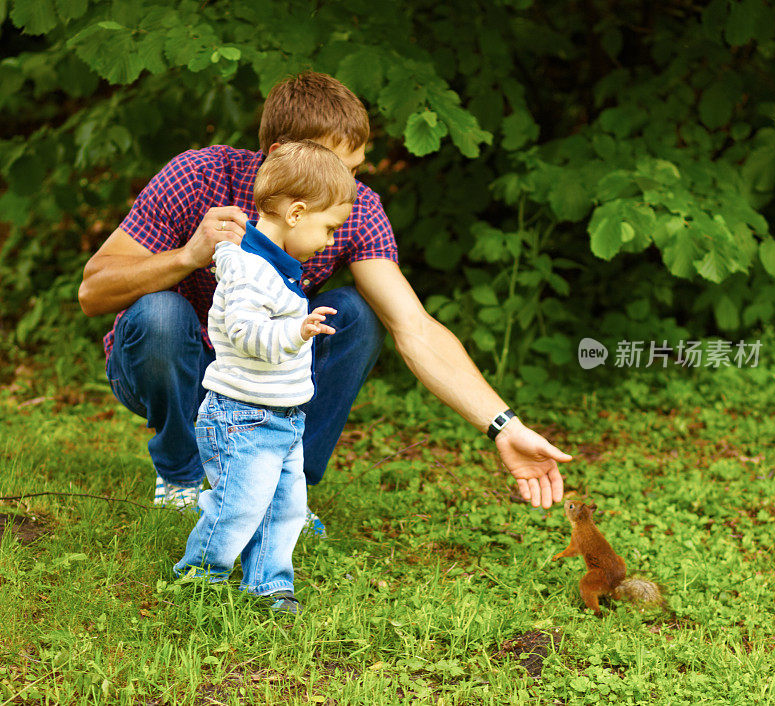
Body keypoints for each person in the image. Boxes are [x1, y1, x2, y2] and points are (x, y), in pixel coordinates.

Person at [78, 71, 571, 521]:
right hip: (176, 369)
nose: (350, 188)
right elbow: (92, 291)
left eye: (356, 169)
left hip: (265, 372)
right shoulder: (199, 176)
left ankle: (280, 487)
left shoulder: (353, 208)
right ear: (277, 153)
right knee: (159, 311)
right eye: (336, 168)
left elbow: (414, 328)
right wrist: (187, 256)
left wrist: (504, 426)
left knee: (360, 313)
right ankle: (181, 473)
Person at [174, 141, 355, 613]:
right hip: (242, 416)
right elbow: (245, 333)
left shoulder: (274, 267)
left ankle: (269, 583)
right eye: (330, 228)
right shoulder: (252, 270)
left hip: (282, 417)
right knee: (238, 506)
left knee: (285, 509)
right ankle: (198, 577)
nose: (332, 242)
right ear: (296, 213)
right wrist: (297, 331)